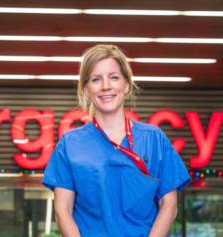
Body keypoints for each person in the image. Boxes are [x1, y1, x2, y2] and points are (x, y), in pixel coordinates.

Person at [42, 44, 191, 237]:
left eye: (114, 77)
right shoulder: (70, 145)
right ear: (86, 89)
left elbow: (169, 205)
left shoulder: (154, 140)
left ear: (126, 85)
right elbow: (63, 211)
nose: (106, 86)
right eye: (96, 79)